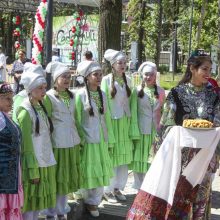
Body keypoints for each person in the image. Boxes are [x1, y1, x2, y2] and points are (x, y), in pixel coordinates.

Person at [127, 52, 220, 219]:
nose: (208, 74)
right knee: (179, 196)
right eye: (204, 69)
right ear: (192, 68)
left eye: (210, 70)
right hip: (181, 158)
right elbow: (166, 124)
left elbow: (218, 124)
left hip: (205, 158)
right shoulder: (176, 93)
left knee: (200, 195)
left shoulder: (214, 96)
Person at [16, 63, 57, 220]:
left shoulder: (40, 106)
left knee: (37, 205)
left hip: (43, 160)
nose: (44, 91)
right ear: (30, 90)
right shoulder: (25, 112)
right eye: (40, 88)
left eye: (44, 87)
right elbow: (26, 146)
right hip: (33, 164)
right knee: (30, 201)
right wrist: (32, 169)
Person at [75, 60, 115, 217]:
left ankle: (94, 201)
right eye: (95, 74)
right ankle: (84, 197)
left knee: (100, 169)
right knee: (87, 169)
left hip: (101, 139)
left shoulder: (103, 95)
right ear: (87, 77)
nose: (98, 77)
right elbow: (77, 119)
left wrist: (109, 138)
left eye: (100, 74)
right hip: (88, 139)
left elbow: (107, 118)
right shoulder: (79, 95)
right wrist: (81, 139)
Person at [43, 62, 81, 219]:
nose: (67, 79)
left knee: (66, 179)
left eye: (69, 76)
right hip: (57, 143)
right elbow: (47, 121)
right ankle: (51, 212)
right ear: (56, 79)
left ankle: (62, 209)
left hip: (71, 143)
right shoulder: (49, 97)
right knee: (57, 179)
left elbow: (75, 119)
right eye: (63, 76)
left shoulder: (72, 95)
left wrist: (80, 138)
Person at [101, 49, 133, 203]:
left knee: (123, 157)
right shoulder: (106, 80)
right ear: (112, 65)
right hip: (112, 122)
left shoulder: (129, 80)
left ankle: (118, 187)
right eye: (119, 63)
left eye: (124, 62)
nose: (123, 65)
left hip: (124, 123)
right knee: (113, 157)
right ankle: (107, 189)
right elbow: (104, 103)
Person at [129, 62, 165, 189]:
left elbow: (163, 111)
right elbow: (133, 112)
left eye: (151, 75)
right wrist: (134, 129)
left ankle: (151, 185)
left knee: (153, 157)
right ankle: (139, 185)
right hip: (141, 129)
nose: (148, 77)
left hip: (155, 129)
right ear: (141, 75)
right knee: (140, 156)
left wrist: (162, 128)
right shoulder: (137, 91)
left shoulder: (161, 91)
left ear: (155, 76)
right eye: (146, 75)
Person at [0, 82, 24, 220]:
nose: (11, 101)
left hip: (12, 172)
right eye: (7, 98)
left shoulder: (5, 116)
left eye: (12, 98)